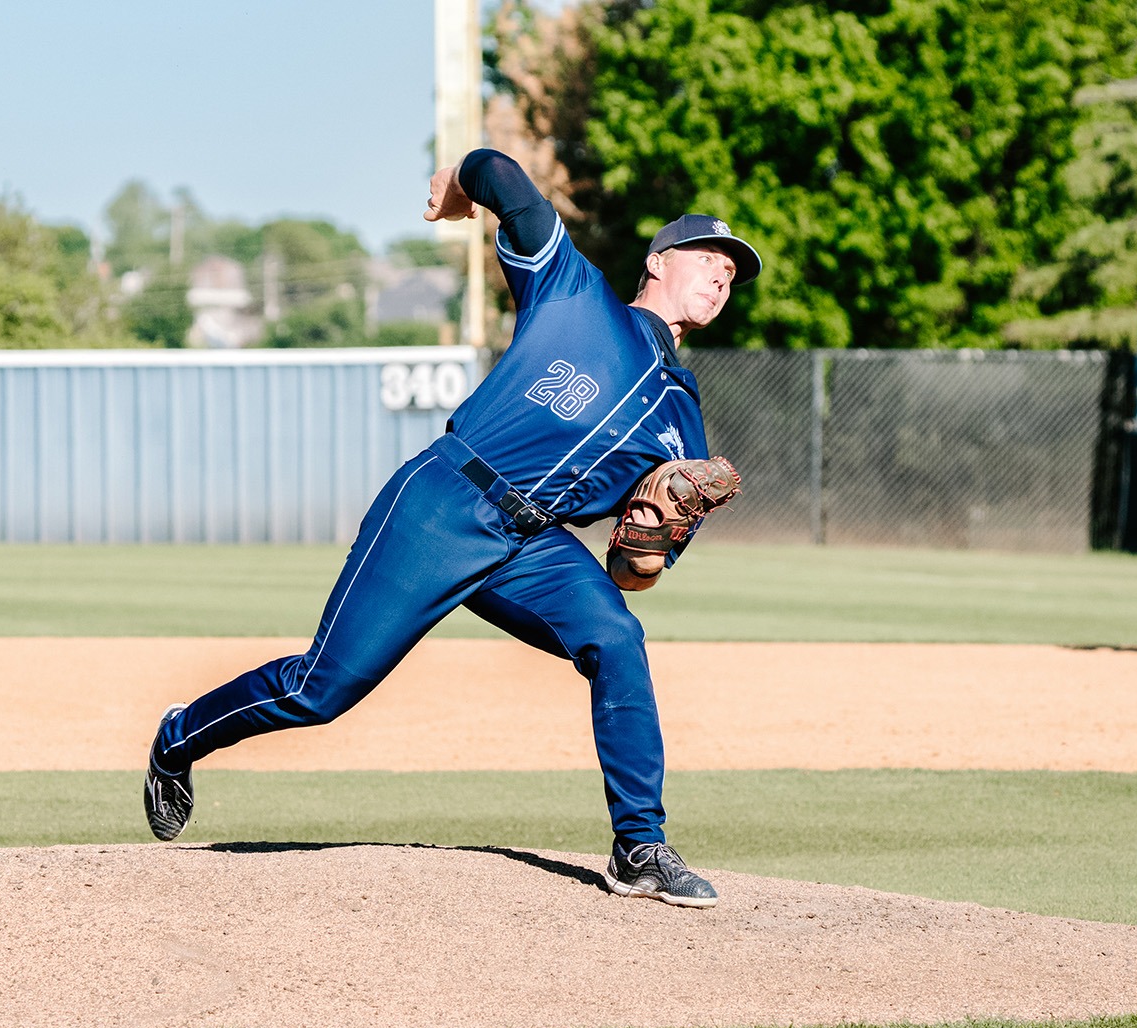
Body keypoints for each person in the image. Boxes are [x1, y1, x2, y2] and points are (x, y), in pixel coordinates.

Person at [141, 147, 762, 908]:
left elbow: (636, 572)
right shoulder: (575, 295)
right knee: (323, 690)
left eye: (732, 273)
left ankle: (639, 846)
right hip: (446, 500)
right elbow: (501, 172)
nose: (722, 275)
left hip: (533, 545)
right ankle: (181, 737)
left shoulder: (685, 422)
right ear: (658, 263)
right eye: (709, 258)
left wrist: (644, 544)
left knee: (619, 638)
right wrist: (459, 184)